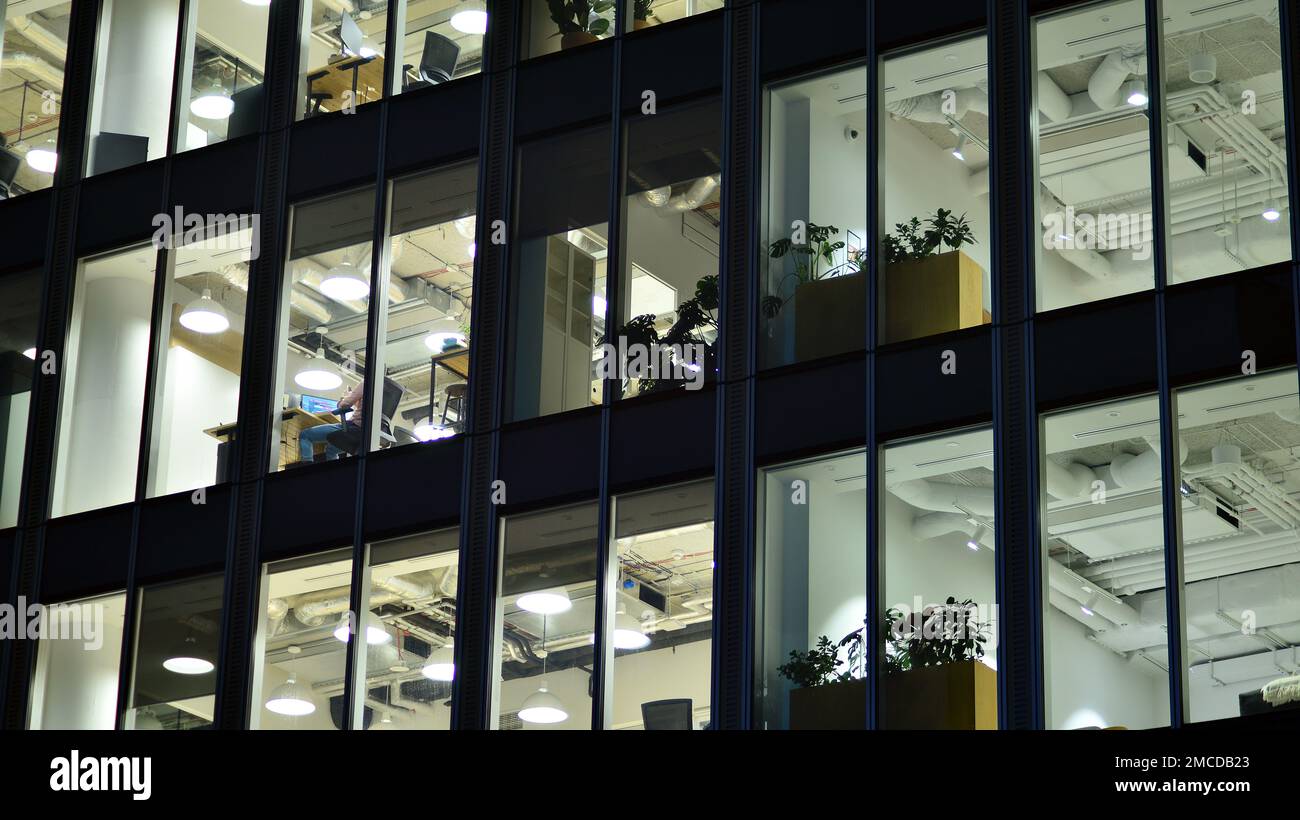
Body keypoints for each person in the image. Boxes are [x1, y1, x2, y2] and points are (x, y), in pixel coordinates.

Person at [297, 380, 365, 463]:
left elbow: (345, 404)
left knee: (305, 435)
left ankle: (307, 471)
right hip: (366, 434)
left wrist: (346, 397)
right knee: (331, 450)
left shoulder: (366, 382)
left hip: (353, 428)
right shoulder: (380, 389)